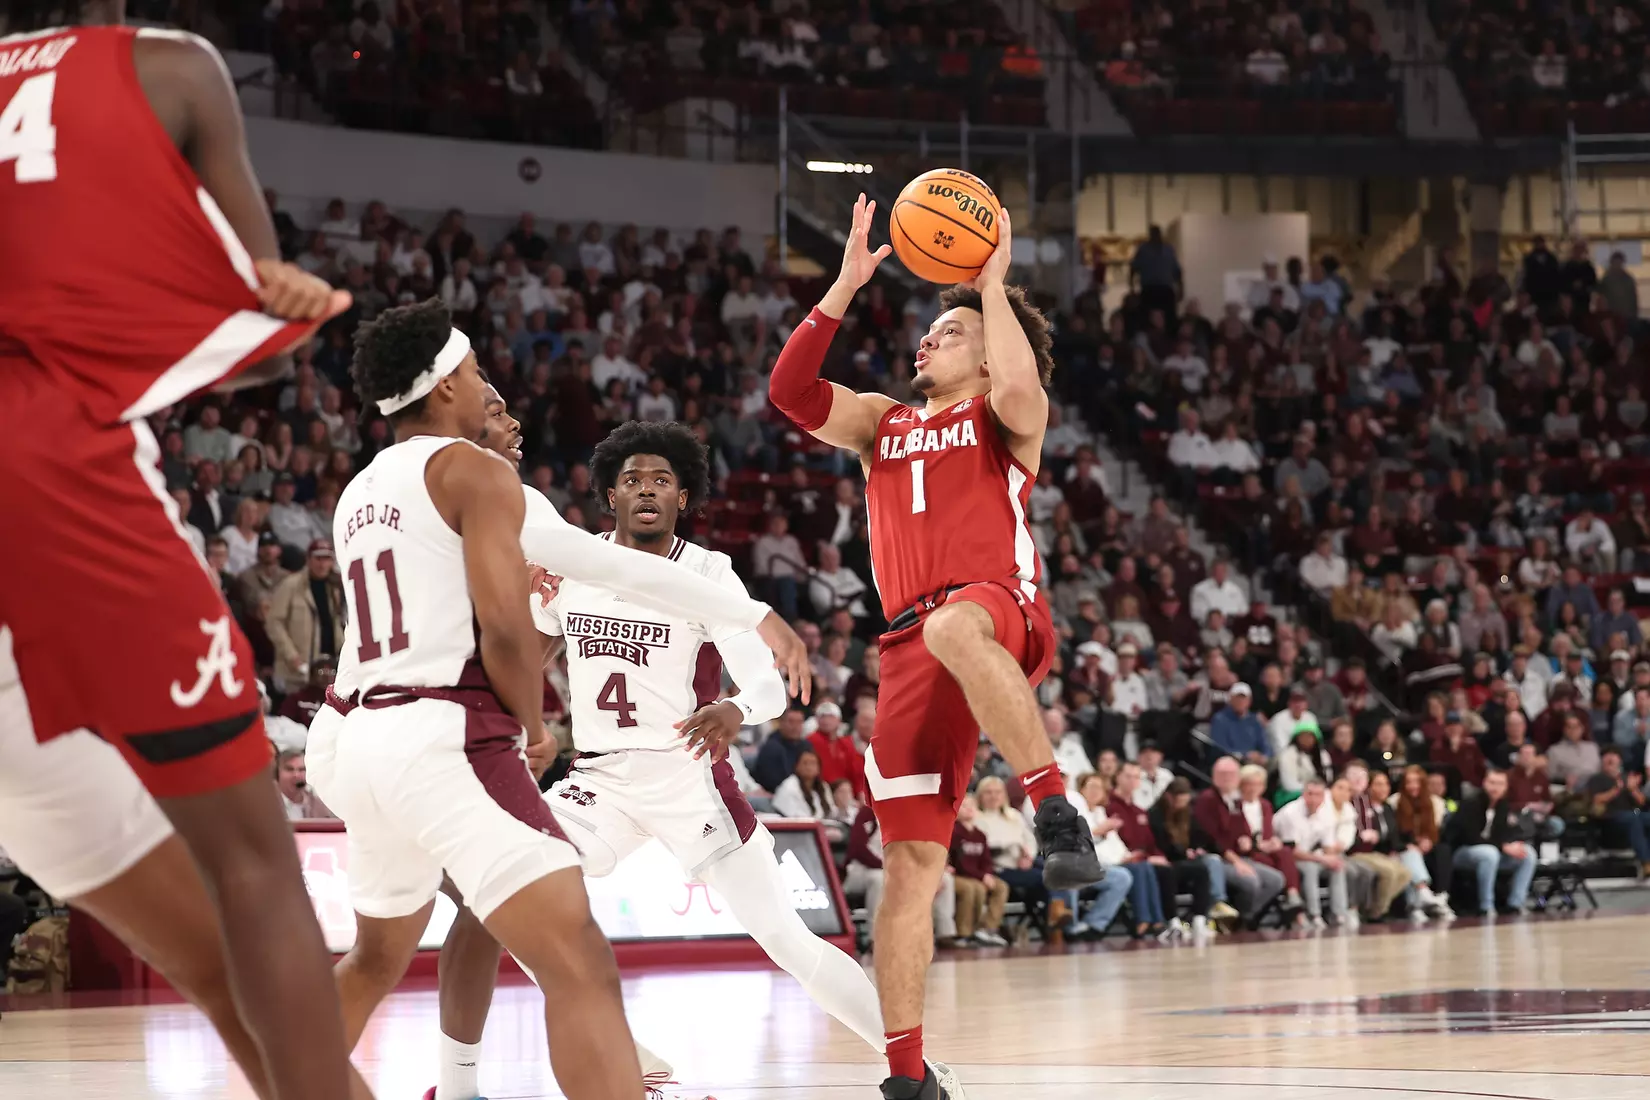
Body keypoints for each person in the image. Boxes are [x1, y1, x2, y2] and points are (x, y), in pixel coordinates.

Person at [308, 305, 810, 1100]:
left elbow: (602, 565)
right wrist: (532, 727)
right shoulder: (473, 472)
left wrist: (745, 612)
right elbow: (510, 631)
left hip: (355, 737)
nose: (486, 391)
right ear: (443, 387)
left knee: (375, 959)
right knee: (578, 955)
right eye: (475, 375)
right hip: (443, 736)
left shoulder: (360, 491)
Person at [0, 10, 360, 1099]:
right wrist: (282, 314)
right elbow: (242, 332)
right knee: (255, 874)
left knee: (205, 951)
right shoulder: (166, 66)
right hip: (52, 476)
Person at [769, 193, 1096, 1099]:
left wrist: (991, 288)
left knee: (956, 622)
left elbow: (1026, 388)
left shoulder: (1004, 412)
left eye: (947, 332)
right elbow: (790, 394)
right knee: (908, 866)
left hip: (999, 610)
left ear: (989, 349)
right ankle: (907, 1077)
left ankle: (1056, 808)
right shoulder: (882, 424)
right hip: (911, 649)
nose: (927, 342)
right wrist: (840, 288)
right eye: (929, 332)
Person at [1193, 757, 1287, 922]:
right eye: (1222, 774)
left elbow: (1241, 831)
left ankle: (1242, 919)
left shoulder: (1235, 801)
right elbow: (1212, 839)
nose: (1227, 779)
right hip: (1217, 859)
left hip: (1240, 857)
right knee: (1251, 882)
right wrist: (1237, 861)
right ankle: (1232, 919)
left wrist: (1248, 843)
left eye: (1231, 775)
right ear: (1214, 776)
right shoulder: (1207, 800)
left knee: (1276, 880)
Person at [1447, 769, 1538, 916]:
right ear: (1484, 783)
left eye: (1500, 784)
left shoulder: (1502, 805)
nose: (1495, 787)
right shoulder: (1471, 803)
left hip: (1493, 852)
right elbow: (1470, 837)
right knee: (1490, 853)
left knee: (1528, 854)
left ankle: (1515, 903)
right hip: (1462, 852)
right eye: (1492, 783)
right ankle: (1486, 906)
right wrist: (1503, 846)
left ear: (1506, 787)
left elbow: (1503, 834)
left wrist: (1512, 844)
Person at [1274, 778, 1355, 928]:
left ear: (1324, 796)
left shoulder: (1326, 814)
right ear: (1303, 794)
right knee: (1310, 868)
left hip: (1311, 856)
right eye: (1310, 794)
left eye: (1318, 794)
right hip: (1287, 859)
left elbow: (1328, 847)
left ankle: (1339, 914)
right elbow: (1291, 852)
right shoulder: (1290, 814)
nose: (1313, 799)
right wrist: (1322, 859)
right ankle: (1314, 914)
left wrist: (1332, 859)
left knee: (1337, 866)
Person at [1344, 762, 1411, 921]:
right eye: (1354, 778)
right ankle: (1376, 913)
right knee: (1389, 872)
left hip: (1371, 851)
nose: (1358, 781)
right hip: (1353, 851)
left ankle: (1377, 908)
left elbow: (1382, 833)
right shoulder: (1347, 800)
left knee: (1405, 873)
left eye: (1362, 778)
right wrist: (1360, 837)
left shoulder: (1366, 803)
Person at [949, 795, 1010, 946]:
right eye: (964, 806)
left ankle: (988, 928)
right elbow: (960, 863)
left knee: (1001, 887)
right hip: (959, 875)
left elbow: (986, 860)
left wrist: (987, 874)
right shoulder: (954, 832)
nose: (969, 808)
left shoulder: (980, 835)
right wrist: (982, 876)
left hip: (978, 875)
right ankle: (964, 932)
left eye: (972, 805)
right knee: (972, 888)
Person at [1581, 746, 1650, 875]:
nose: (1611, 758)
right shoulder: (1597, 778)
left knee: (1644, 818)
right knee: (1632, 818)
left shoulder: (1626, 778)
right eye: (1607, 755)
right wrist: (1616, 790)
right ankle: (1646, 862)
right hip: (1608, 817)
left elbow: (1642, 803)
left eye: (1614, 755)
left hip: (1630, 815)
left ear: (1620, 760)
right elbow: (1597, 799)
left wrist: (1633, 790)